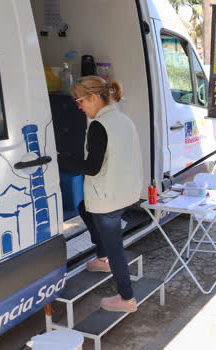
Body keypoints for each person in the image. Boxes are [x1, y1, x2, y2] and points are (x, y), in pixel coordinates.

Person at [58, 76, 143, 313]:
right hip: (127, 191)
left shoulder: (98, 125)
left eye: (80, 100)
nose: (79, 106)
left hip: (108, 198)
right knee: (85, 208)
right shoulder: (123, 119)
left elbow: (91, 167)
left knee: (115, 245)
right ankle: (102, 256)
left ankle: (126, 298)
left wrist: (59, 159)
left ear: (94, 98)